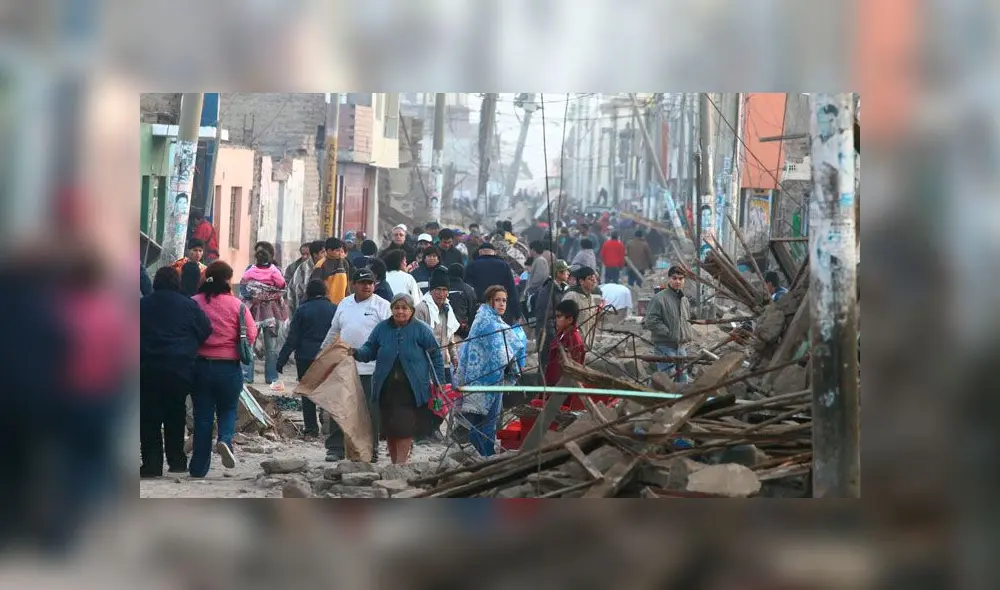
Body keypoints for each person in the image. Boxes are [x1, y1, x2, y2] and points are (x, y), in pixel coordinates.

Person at [347, 293, 445, 465]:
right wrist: (356, 352)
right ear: (391, 309)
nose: (400, 312)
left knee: (404, 428)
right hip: (386, 387)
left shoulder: (421, 330)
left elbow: (435, 355)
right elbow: (370, 349)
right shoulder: (381, 329)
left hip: (411, 388)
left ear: (412, 310)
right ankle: (395, 464)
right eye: (396, 308)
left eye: (404, 308)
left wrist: (439, 382)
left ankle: (401, 464)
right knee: (389, 428)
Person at [140, 267, 213, 477]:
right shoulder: (189, 305)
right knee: (175, 415)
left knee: (149, 419)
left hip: (148, 369)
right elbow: (206, 330)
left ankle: (152, 465)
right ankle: (177, 461)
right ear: (177, 282)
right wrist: (188, 345)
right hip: (180, 369)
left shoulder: (142, 305)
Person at [190, 261, 258, 477]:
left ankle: (199, 468)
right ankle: (224, 440)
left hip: (200, 366)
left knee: (203, 417)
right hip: (229, 367)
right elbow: (252, 334)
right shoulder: (237, 305)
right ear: (228, 280)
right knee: (228, 409)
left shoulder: (194, 302)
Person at [320, 268, 391, 461]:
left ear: (374, 285)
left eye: (370, 283)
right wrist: (321, 353)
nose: (367, 286)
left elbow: (390, 335)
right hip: (344, 364)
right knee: (340, 406)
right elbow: (333, 331)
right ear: (354, 284)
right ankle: (335, 448)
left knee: (369, 411)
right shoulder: (344, 303)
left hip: (372, 367)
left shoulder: (382, 306)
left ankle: (370, 450)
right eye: (362, 283)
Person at [455, 286, 526, 457]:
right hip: (482, 379)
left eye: (504, 300)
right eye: (498, 300)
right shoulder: (486, 322)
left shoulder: (493, 320)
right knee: (485, 421)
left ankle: (481, 454)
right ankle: (483, 455)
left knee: (488, 421)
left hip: (493, 378)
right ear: (490, 301)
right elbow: (499, 351)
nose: (502, 304)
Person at [276, 279, 337, 438]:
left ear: (308, 292)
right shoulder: (334, 309)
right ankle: (327, 419)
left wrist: (281, 360)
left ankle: (311, 429)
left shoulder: (302, 310)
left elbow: (292, 338)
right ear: (325, 292)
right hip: (327, 355)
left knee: (307, 392)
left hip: (305, 356)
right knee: (328, 388)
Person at [414, 268, 460, 443]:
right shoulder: (422, 309)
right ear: (431, 291)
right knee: (426, 399)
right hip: (424, 361)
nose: (441, 294)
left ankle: (433, 428)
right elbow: (417, 336)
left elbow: (450, 336)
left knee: (442, 398)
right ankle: (422, 433)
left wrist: (454, 355)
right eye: (437, 290)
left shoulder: (448, 308)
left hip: (443, 361)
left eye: (444, 290)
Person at [240, 248, 288, 385]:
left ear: (256, 259)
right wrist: (267, 291)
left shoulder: (250, 270)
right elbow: (282, 285)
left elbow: (244, 286)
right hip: (270, 312)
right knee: (271, 347)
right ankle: (271, 377)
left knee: (249, 343)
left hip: (253, 311)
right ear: (270, 259)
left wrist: (255, 293)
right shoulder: (274, 271)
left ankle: (247, 376)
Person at [642, 266, 693, 384]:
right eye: (674, 278)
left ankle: (680, 402)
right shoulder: (659, 298)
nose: (678, 281)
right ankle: (656, 399)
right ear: (669, 279)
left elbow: (686, 320)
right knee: (665, 379)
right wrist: (668, 333)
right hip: (664, 346)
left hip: (681, 346)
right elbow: (651, 321)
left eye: (681, 278)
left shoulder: (684, 299)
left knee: (683, 379)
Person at [464, 242, 522, 326]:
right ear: (494, 252)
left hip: (479, 311)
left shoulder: (471, 266)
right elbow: (512, 290)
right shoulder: (503, 265)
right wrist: (517, 314)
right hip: (501, 312)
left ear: (480, 252)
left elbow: (468, 290)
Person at [543, 299, 586, 389]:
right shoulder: (562, 333)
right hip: (552, 384)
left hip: (562, 389)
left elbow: (573, 370)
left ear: (570, 319)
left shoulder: (574, 339)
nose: (556, 320)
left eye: (559, 317)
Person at [562, 266, 603, 348]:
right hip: (572, 343)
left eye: (595, 278)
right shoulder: (572, 296)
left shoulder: (590, 297)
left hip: (586, 343)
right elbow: (562, 319)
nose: (594, 281)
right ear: (581, 281)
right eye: (590, 279)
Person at [311, 237, 353, 305]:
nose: (340, 253)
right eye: (337, 251)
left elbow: (347, 285)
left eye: (341, 251)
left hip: (342, 304)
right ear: (329, 251)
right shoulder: (320, 265)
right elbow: (316, 286)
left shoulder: (344, 263)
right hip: (327, 304)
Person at [290, 240, 326, 309]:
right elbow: (297, 291)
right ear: (315, 254)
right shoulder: (303, 268)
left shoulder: (328, 265)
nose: (325, 255)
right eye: (323, 252)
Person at [447, 263, 479, 339]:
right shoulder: (468, 289)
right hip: (462, 330)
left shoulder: (442, 288)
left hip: (444, 329)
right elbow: (472, 311)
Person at [284, 243, 312, 315]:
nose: (305, 257)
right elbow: (286, 284)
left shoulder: (318, 266)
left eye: (307, 254)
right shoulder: (292, 267)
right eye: (303, 254)